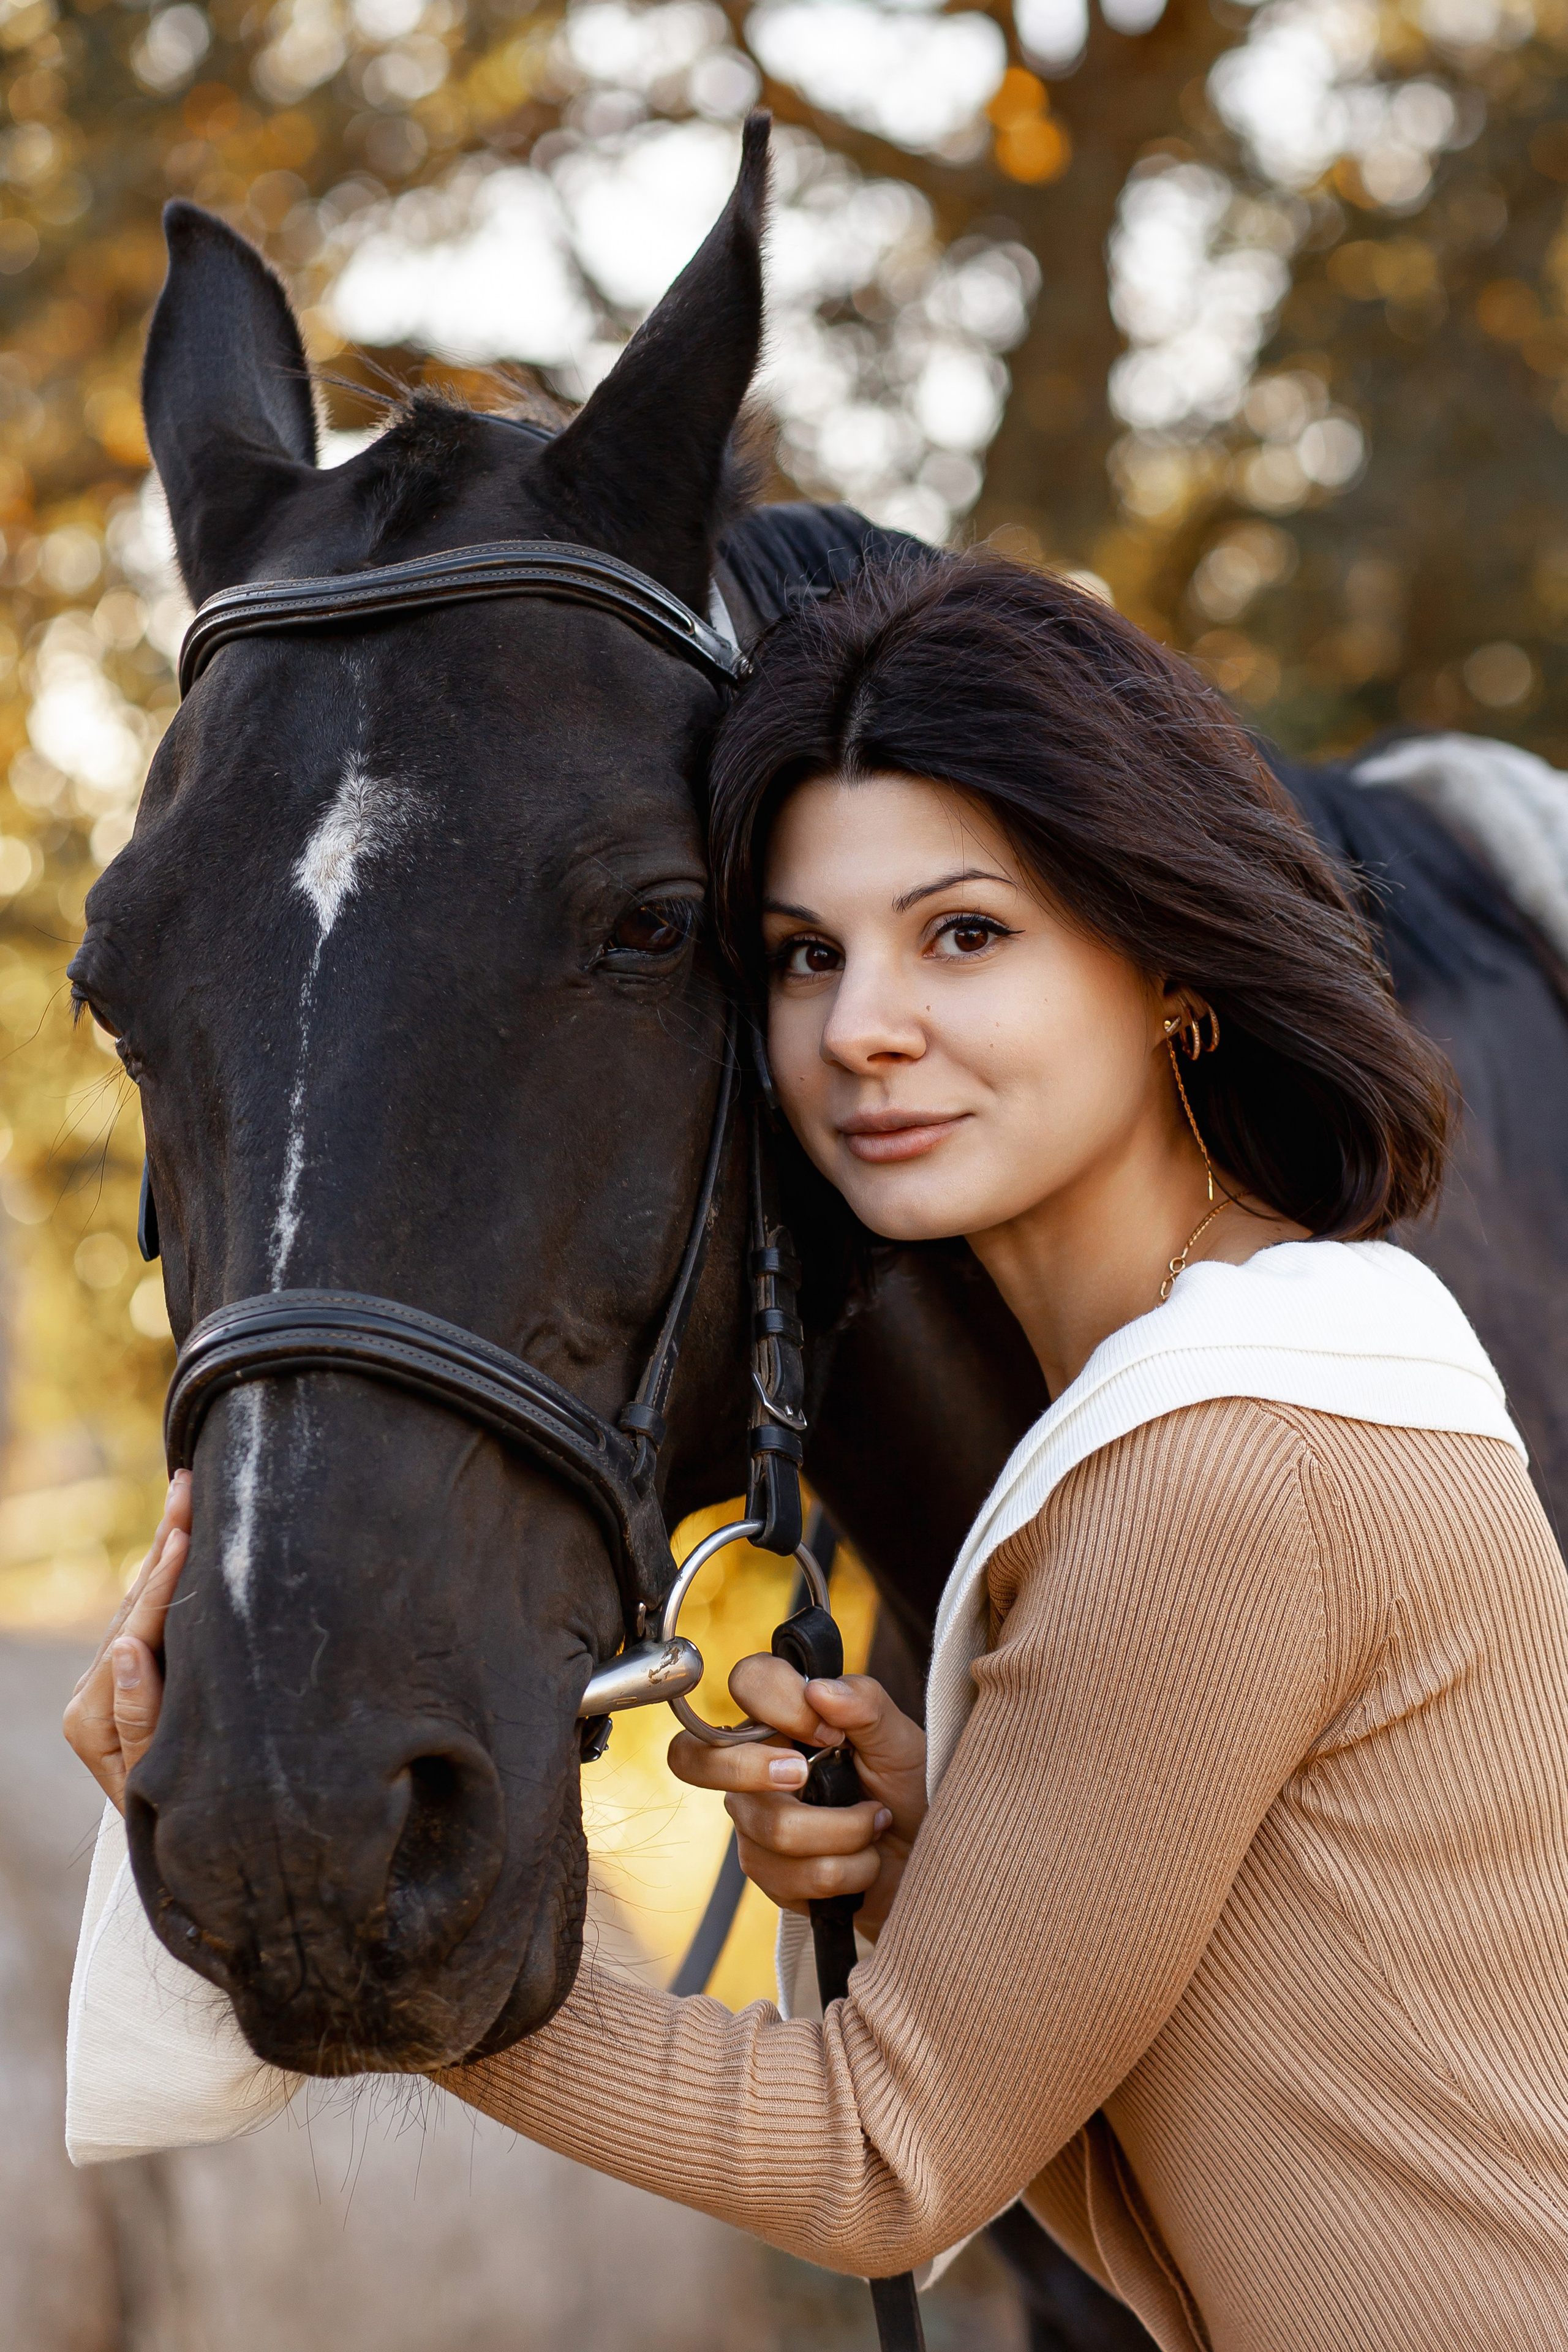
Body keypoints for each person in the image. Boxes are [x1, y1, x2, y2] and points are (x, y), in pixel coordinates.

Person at [66, 554, 1568, 2352]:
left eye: (964, 935)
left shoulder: (1224, 1473)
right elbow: (1339, 2118)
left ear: (1171, 967)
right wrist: (962, 1862)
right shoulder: (1290, 1375)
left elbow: (881, 2159)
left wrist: (381, 1924)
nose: (862, 1028)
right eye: (801, 954)